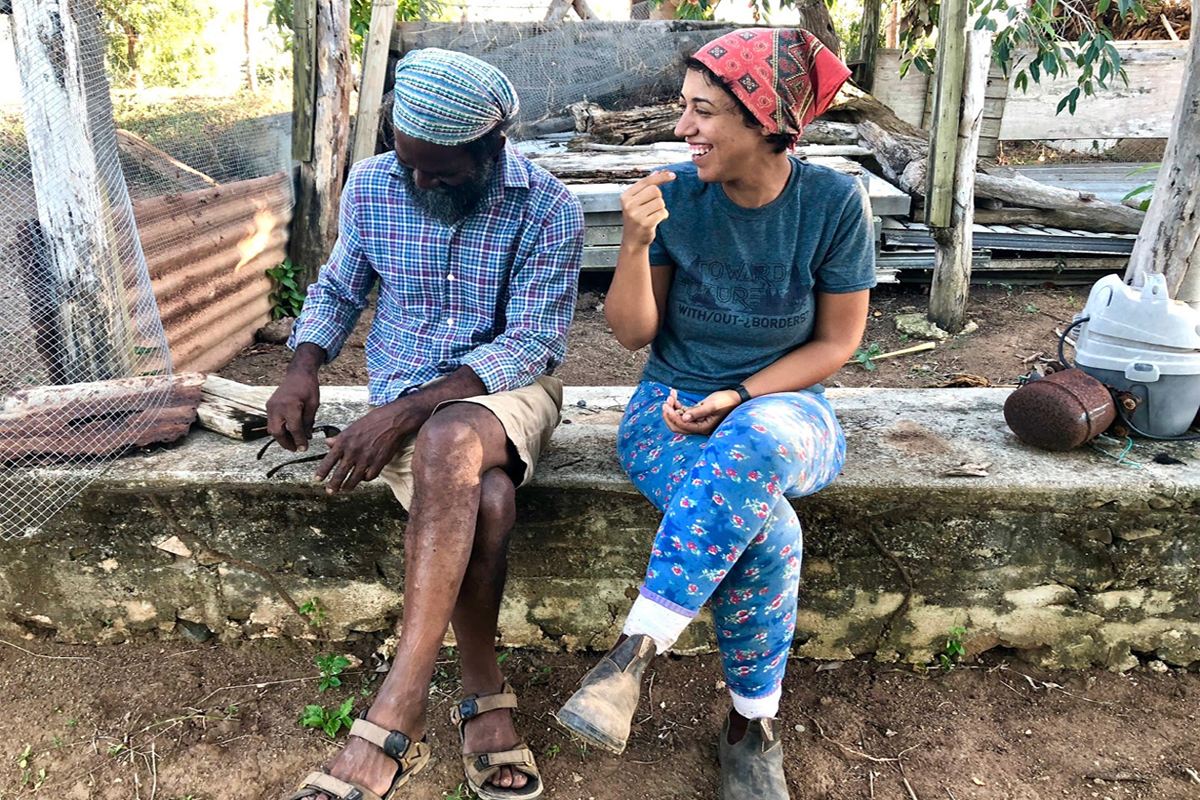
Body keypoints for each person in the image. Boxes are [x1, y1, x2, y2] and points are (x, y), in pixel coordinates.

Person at [554, 28, 874, 799]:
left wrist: (743, 394)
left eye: (702, 112)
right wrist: (633, 242)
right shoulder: (677, 198)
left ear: (765, 120)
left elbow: (839, 340)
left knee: (756, 438)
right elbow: (634, 334)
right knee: (770, 527)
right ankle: (751, 728)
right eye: (683, 109)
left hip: (789, 415)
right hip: (665, 414)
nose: (681, 128)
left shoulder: (831, 202)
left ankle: (634, 651)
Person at [269, 48, 583, 800]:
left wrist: (405, 411)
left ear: (491, 147)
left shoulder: (549, 208)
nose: (419, 182)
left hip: (508, 391)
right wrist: (303, 368)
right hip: (409, 395)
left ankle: (397, 703)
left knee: (447, 432)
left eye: (439, 170)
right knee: (493, 501)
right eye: (409, 164)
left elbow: (532, 342)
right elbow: (341, 288)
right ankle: (483, 690)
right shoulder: (375, 187)